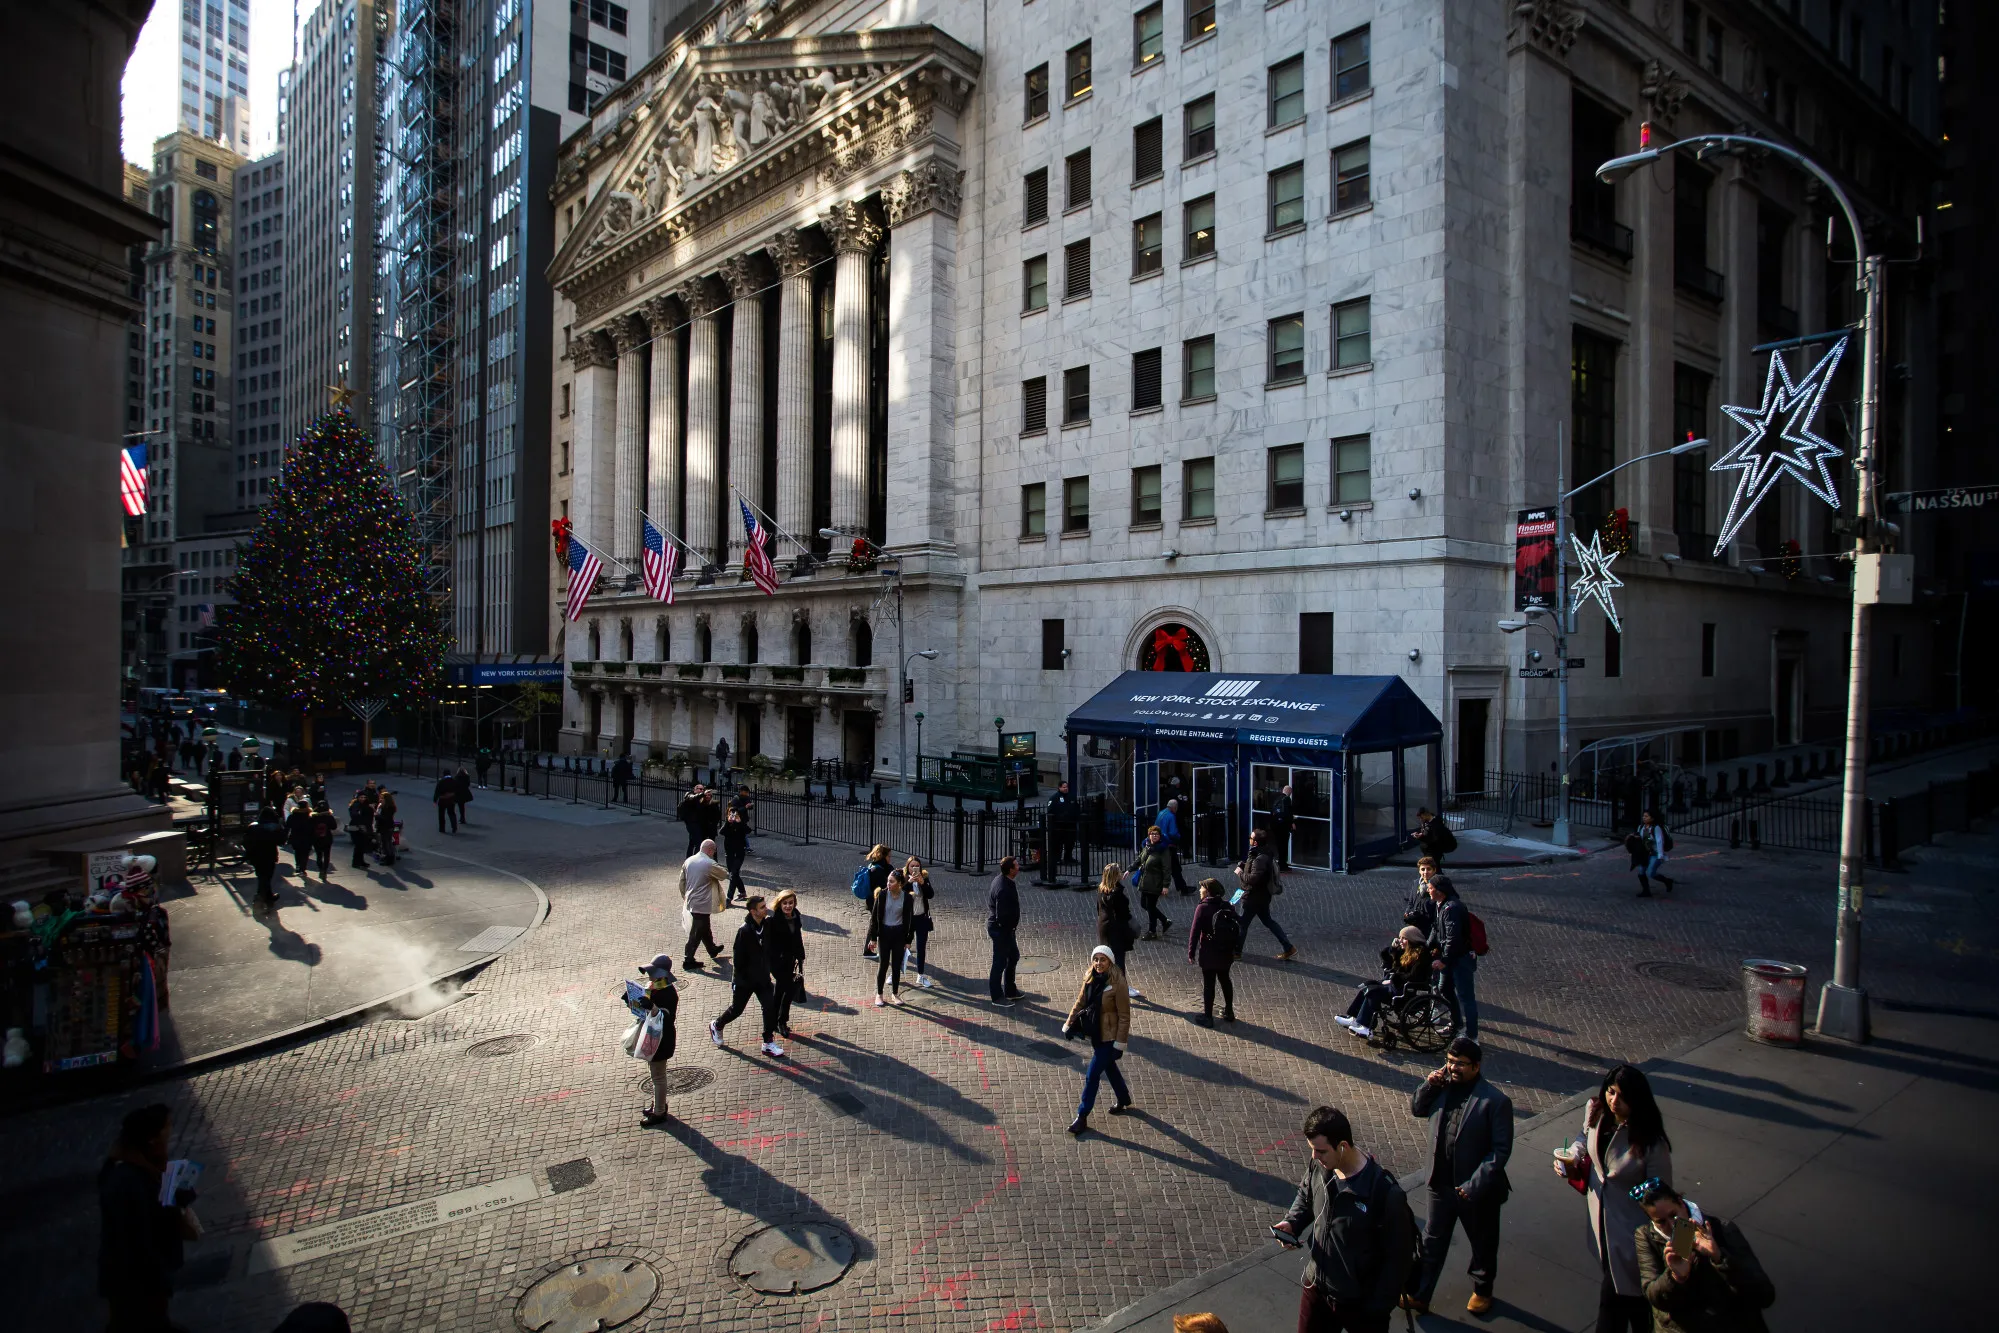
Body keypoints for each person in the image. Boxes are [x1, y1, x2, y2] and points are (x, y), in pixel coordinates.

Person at [1272, 1104, 1417, 1333]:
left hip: (1359, 1305)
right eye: (1312, 1150)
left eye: (1320, 1151)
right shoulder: (1320, 1166)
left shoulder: (1384, 1194)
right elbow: (1306, 1195)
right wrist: (1292, 1222)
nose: (1314, 1157)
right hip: (1316, 1286)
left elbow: (1398, 1261)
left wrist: (1377, 1308)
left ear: (1342, 1146)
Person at [1558, 1064, 1674, 1333]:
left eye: (1622, 1096)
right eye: (1611, 1092)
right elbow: (1583, 1136)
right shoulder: (1598, 1113)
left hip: (1633, 1238)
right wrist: (1573, 1156)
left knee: (1616, 1306)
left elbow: (1663, 1195)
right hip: (1603, 1228)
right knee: (1631, 1306)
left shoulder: (1651, 1143)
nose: (1614, 1101)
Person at [1405, 1037, 1513, 1317]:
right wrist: (1429, 1084)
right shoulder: (1440, 1088)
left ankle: (1482, 1289)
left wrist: (1474, 1185)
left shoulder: (1496, 1101)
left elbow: (1499, 1151)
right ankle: (1421, 1294)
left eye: (1460, 1064)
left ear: (1476, 1066)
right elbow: (1417, 1108)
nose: (1453, 1068)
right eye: (1450, 1061)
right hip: (1439, 1183)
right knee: (1432, 1240)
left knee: (1483, 1242)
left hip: (1474, 1190)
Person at [98, 1102, 199, 1333]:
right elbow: (137, 1235)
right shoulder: (126, 1181)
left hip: (145, 1276)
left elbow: (176, 1198)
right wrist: (156, 1277)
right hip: (135, 1281)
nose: (170, 1133)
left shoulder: (147, 1166)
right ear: (151, 1138)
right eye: (167, 1128)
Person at [1632, 1179, 1775, 1333]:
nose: (1672, 1226)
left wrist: (1719, 1258)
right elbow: (1655, 1298)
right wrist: (1675, 1277)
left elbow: (1764, 1294)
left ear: (1680, 1202)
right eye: (1661, 1222)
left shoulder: (1722, 1229)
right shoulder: (1646, 1236)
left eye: (1673, 1215)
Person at [1062, 945, 1133, 1134]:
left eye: (1103, 960)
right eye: (1096, 959)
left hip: (1110, 1038)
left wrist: (1119, 1044)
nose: (1098, 963)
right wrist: (1069, 1024)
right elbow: (1080, 1002)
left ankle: (1082, 1116)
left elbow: (1124, 1016)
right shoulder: (1090, 977)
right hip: (1096, 1034)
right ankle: (1124, 1098)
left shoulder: (1118, 983)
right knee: (1109, 1067)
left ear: (1110, 961)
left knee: (1092, 1075)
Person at [710, 895, 783, 1057]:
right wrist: (746, 977)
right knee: (737, 1010)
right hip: (745, 981)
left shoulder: (767, 924)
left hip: (763, 978)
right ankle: (717, 1025)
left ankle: (768, 1042)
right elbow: (738, 960)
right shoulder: (744, 931)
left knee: (769, 1007)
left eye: (765, 906)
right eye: (762, 907)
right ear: (753, 911)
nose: (766, 909)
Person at [1337, 926, 1430, 1042]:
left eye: (1403, 938)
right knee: (1367, 985)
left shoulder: (1421, 956)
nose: (1400, 941)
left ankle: (1365, 1026)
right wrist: (1393, 951)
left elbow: (1413, 976)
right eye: (1400, 938)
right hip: (1396, 985)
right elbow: (1393, 964)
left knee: (1373, 992)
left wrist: (1393, 979)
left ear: (1411, 939)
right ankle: (1355, 1017)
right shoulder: (1407, 951)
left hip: (1403, 989)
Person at [1424, 874, 1477, 1039]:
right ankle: (1456, 1023)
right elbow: (1436, 929)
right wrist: (1426, 948)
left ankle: (1471, 1036)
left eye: (1430, 888)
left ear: (1440, 891)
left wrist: (1444, 960)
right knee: (1444, 988)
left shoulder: (1452, 908)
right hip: (1451, 957)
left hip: (1460, 959)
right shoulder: (1440, 904)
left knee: (1466, 997)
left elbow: (1452, 939)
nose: (1428, 890)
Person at [1185, 876, 1241, 1026]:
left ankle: (1208, 1017)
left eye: (1202, 888)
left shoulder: (1202, 908)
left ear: (1208, 891)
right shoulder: (1227, 906)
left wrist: (1191, 952)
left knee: (1209, 984)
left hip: (1209, 951)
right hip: (1225, 951)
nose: (1200, 890)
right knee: (1225, 980)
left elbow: (1195, 932)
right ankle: (1229, 1011)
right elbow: (1238, 923)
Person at [1233, 828, 1296, 960]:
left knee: (1243, 924)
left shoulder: (1259, 858)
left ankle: (1236, 952)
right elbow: (1255, 870)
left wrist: (1240, 872)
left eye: (1251, 838)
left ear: (1255, 842)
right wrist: (1245, 865)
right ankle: (1288, 947)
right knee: (1268, 921)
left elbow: (1253, 879)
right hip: (1262, 896)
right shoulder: (1260, 854)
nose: (1249, 840)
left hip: (1253, 896)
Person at [634, 954, 680, 1126]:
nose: (649, 976)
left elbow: (667, 1018)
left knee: (658, 1077)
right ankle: (658, 1104)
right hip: (654, 1037)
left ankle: (659, 1112)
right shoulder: (655, 987)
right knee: (656, 1075)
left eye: (652, 973)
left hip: (662, 1039)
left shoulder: (669, 993)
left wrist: (652, 1007)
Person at [680, 839, 728, 970]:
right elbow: (724, 874)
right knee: (696, 931)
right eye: (714, 851)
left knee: (704, 926)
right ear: (710, 849)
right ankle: (688, 959)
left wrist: (685, 896)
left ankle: (712, 949)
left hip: (692, 900)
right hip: (702, 902)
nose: (713, 854)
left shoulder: (688, 861)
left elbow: (682, 882)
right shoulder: (708, 863)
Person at [1095, 863, 1141, 998]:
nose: (1121, 873)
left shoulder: (1101, 890)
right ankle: (1121, 987)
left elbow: (1099, 909)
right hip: (1116, 930)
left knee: (1108, 958)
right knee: (1119, 959)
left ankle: (1107, 984)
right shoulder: (1118, 894)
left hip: (1104, 927)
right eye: (1119, 872)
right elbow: (1124, 915)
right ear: (1116, 876)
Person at [870, 869, 914, 1006]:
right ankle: (879, 994)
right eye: (888, 881)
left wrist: (908, 940)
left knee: (896, 966)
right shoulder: (882, 895)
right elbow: (874, 918)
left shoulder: (906, 898)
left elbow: (910, 920)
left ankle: (895, 994)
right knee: (883, 965)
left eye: (891, 881)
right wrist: (873, 938)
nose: (888, 884)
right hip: (884, 933)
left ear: (900, 884)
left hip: (898, 934)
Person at [767, 889, 807, 1037]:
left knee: (780, 991)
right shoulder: (773, 920)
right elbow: (770, 944)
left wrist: (800, 955)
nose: (788, 906)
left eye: (790, 903)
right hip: (778, 962)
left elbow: (798, 937)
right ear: (779, 903)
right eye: (785, 903)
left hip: (791, 960)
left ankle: (774, 1020)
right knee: (788, 990)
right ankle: (781, 1021)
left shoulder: (796, 917)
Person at [987, 855, 1022, 1006]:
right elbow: (1002, 915)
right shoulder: (1003, 889)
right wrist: (1008, 929)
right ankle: (997, 996)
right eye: (1016, 865)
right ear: (1010, 870)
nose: (1018, 866)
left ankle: (1010, 990)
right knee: (999, 962)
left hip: (1006, 930)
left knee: (1013, 956)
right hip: (1001, 930)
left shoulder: (1002, 881)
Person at [1134, 825, 1174, 939]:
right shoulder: (1147, 846)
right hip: (1145, 881)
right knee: (1144, 904)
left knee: (1150, 907)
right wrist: (1129, 869)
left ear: (1160, 836)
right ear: (1149, 835)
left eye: (1156, 834)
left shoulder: (1163, 850)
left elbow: (1167, 868)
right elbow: (1140, 859)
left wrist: (1166, 885)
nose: (1154, 836)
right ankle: (1164, 920)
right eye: (1152, 834)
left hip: (1156, 882)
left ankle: (1152, 931)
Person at [902, 856, 936, 989]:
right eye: (912, 866)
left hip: (921, 917)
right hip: (908, 919)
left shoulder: (924, 879)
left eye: (917, 866)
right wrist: (909, 882)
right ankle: (895, 973)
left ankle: (920, 975)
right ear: (908, 867)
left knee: (921, 947)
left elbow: (931, 895)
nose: (914, 869)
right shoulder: (904, 879)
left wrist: (922, 883)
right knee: (903, 946)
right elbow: (899, 894)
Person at [1629, 810, 1676, 897]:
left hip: (1655, 853)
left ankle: (1667, 881)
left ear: (1652, 818)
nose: (1644, 818)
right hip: (1644, 854)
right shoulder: (1641, 827)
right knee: (1641, 872)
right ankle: (1646, 891)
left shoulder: (1656, 828)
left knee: (1651, 873)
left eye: (1646, 816)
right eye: (1643, 816)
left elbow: (1659, 841)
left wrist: (1660, 855)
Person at [858, 843, 893, 959]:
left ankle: (875, 948)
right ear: (883, 857)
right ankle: (869, 950)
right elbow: (884, 886)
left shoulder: (874, 866)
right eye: (889, 856)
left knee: (877, 924)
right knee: (876, 924)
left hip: (872, 900)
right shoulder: (879, 870)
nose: (890, 858)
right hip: (875, 901)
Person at [244, 812, 283, 909]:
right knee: (266, 877)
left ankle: (268, 897)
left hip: (255, 857)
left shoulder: (252, 827)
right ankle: (259, 898)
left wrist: (249, 854)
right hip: (269, 856)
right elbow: (281, 841)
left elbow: (245, 842)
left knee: (262, 876)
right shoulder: (272, 828)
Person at [1156, 799, 1192, 895]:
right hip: (1169, 845)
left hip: (1160, 844)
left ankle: (1181, 887)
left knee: (1166, 867)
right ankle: (1183, 889)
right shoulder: (1171, 816)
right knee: (1175, 868)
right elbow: (1173, 833)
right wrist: (1179, 838)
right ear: (1174, 807)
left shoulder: (1161, 813)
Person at [1045, 780, 1079, 873]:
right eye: (1064, 787)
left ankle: (1068, 857)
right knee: (1058, 843)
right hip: (1059, 825)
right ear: (1059, 788)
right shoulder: (1054, 798)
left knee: (1070, 843)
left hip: (1070, 825)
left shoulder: (1071, 797)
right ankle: (1057, 858)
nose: (1065, 789)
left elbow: (1076, 808)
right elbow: (1050, 811)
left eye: (1066, 787)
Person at [720, 808, 751, 904]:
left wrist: (739, 822)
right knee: (734, 874)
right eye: (731, 814)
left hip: (739, 853)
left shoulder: (741, 824)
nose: (733, 816)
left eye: (735, 814)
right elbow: (721, 832)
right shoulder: (727, 824)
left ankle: (729, 898)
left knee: (733, 874)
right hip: (729, 853)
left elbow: (748, 830)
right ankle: (742, 892)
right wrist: (727, 822)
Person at [1404, 858, 1441, 938]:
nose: (1425, 872)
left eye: (1428, 869)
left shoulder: (1438, 885)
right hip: (1415, 924)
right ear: (1419, 871)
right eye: (1423, 869)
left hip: (1429, 926)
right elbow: (1411, 901)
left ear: (1434, 870)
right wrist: (1407, 913)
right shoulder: (1416, 882)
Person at [283, 797, 316, 875]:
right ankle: (303, 868)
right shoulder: (310, 817)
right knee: (305, 853)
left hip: (296, 836)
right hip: (307, 837)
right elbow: (313, 828)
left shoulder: (292, 816)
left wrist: (285, 837)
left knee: (297, 852)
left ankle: (298, 865)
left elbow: (287, 826)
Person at [1269, 783, 1297, 871]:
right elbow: (1288, 813)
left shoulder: (1276, 798)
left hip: (1275, 825)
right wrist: (1292, 823)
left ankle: (1280, 863)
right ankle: (1283, 865)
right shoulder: (1287, 799)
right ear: (1289, 792)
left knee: (1279, 845)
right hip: (1283, 826)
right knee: (1284, 845)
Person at [308, 801, 338, 880]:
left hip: (316, 839)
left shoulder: (313, 817)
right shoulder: (329, 816)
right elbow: (334, 827)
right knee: (327, 855)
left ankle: (321, 869)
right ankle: (324, 870)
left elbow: (310, 828)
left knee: (319, 855)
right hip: (327, 838)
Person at [346, 790, 376, 869]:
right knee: (358, 846)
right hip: (356, 828)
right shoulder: (355, 805)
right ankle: (355, 862)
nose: (363, 799)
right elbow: (354, 815)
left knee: (362, 846)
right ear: (358, 797)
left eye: (364, 797)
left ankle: (361, 861)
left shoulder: (366, 805)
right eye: (361, 797)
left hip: (364, 828)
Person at [677, 784, 708, 856]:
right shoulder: (690, 795)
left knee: (692, 842)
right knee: (698, 843)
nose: (701, 791)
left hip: (698, 823)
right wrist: (702, 794)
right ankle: (695, 860)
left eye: (702, 789)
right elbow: (692, 798)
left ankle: (688, 859)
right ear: (695, 789)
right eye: (699, 789)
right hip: (692, 823)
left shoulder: (701, 798)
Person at [374, 791, 400, 865]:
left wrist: (377, 815)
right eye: (380, 798)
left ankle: (389, 859)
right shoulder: (383, 806)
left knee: (387, 843)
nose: (380, 799)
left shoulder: (389, 808)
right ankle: (388, 857)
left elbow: (386, 818)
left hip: (386, 827)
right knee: (387, 843)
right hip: (385, 827)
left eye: (382, 798)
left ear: (386, 799)